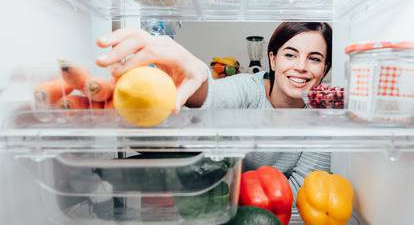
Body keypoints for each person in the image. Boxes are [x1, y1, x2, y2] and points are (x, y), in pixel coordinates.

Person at [96, 22, 332, 202]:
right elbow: (213, 96)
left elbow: (305, 189)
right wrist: (195, 76)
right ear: (272, 59)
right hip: (218, 198)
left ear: (325, 69)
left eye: (314, 59)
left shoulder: (322, 118)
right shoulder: (248, 88)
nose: (300, 66)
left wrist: (238, 197)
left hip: (268, 209)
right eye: (290, 54)